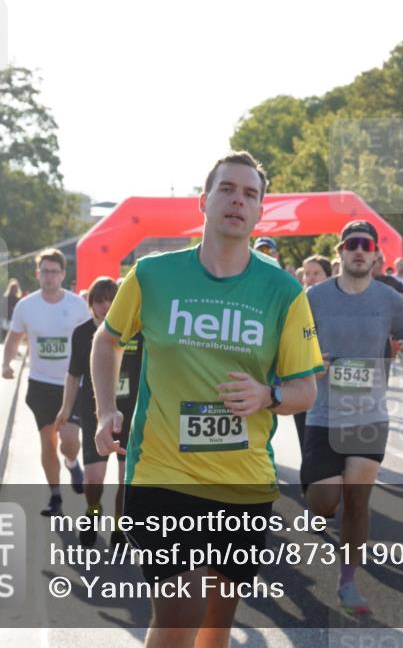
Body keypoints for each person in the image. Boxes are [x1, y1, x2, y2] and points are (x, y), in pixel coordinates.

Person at [91, 151, 322, 648]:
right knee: (181, 613)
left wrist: (268, 394)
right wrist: (106, 409)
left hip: (243, 484)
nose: (238, 200)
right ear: (204, 201)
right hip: (163, 475)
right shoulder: (153, 275)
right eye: (227, 189)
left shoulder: (283, 292)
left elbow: (306, 389)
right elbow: (106, 340)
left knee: (215, 628)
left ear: (260, 212)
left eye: (250, 194)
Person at [303, 220, 403, 616]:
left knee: (358, 502)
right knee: (323, 502)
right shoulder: (313, 297)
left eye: (366, 245)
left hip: (369, 414)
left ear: (375, 255)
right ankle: (322, 509)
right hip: (322, 413)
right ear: (340, 251)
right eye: (352, 244)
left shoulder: (389, 300)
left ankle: (348, 581)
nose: (359, 251)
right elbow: (290, 347)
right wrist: (309, 363)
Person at [55, 277, 142, 547]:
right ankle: (93, 512)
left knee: (125, 479)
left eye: (111, 300)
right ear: (91, 304)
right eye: (99, 301)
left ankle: (119, 522)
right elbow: (73, 375)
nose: (106, 306)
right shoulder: (82, 333)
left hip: (131, 413)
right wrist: (65, 410)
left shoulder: (139, 330)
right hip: (96, 411)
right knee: (94, 479)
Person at [2, 249, 89, 516]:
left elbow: (91, 339)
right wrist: (6, 364)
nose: (49, 276)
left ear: (63, 274)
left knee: (69, 440)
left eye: (54, 271)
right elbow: (14, 337)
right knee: (48, 442)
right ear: (38, 274)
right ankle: (55, 497)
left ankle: (73, 462)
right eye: (44, 271)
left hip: (72, 383)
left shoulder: (76, 305)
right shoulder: (26, 306)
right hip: (40, 384)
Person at [295, 254, 333, 446]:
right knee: (307, 444)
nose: (310, 278)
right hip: (303, 381)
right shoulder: (296, 302)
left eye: (316, 273)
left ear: (329, 276)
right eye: (307, 273)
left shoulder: (340, 305)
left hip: (334, 387)